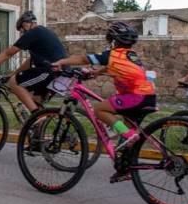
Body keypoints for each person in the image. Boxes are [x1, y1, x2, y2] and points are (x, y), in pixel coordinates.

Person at [52, 21, 156, 154]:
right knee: (126, 142)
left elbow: (84, 59)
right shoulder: (130, 55)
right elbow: (111, 67)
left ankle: (129, 135)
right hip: (148, 97)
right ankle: (126, 169)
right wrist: (97, 72)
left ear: (114, 41)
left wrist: (61, 62)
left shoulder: (112, 55)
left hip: (135, 96)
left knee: (99, 110)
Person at [0, 10, 67, 115]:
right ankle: (37, 126)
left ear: (26, 24)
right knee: (35, 100)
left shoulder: (33, 33)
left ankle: (37, 118)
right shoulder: (43, 32)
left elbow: (9, 53)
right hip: (61, 73)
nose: (22, 33)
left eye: (21, 30)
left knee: (14, 82)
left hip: (50, 71)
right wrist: (13, 73)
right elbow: (31, 61)